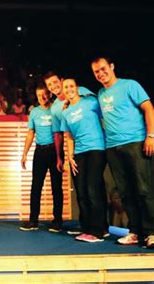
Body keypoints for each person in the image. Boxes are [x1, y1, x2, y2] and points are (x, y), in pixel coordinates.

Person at [91, 56, 154, 249]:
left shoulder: (130, 85)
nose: (101, 73)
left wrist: (151, 135)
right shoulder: (100, 94)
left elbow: (149, 109)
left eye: (103, 68)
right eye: (96, 71)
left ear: (112, 67)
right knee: (126, 192)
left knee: (143, 189)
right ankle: (135, 232)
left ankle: (153, 233)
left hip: (135, 143)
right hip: (113, 148)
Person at [44, 71, 93, 235]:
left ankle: (101, 226)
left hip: (94, 146)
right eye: (49, 85)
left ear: (62, 80)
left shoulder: (80, 90)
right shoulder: (56, 108)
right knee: (81, 189)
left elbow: (97, 108)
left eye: (55, 82)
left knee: (95, 187)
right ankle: (85, 224)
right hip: (76, 150)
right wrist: (60, 157)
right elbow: (60, 134)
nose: (53, 86)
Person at [60, 78, 107, 242]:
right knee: (81, 192)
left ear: (77, 88)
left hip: (96, 149)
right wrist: (69, 157)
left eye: (72, 86)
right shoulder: (65, 112)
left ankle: (98, 231)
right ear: (63, 91)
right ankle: (86, 228)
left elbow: (106, 115)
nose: (69, 89)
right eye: (66, 87)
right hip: (79, 153)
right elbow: (69, 136)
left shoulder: (91, 102)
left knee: (92, 189)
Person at [20, 86, 63, 233]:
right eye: (39, 95)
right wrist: (24, 154)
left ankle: (57, 221)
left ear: (49, 94)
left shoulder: (56, 109)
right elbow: (30, 134)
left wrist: (60, 156)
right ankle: (33, 221)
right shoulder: (34, 112)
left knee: (56, 187)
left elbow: (61, 133)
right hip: (40, 152)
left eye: (44, 95)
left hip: (55, 151)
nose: (42, 97)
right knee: (36, 187)